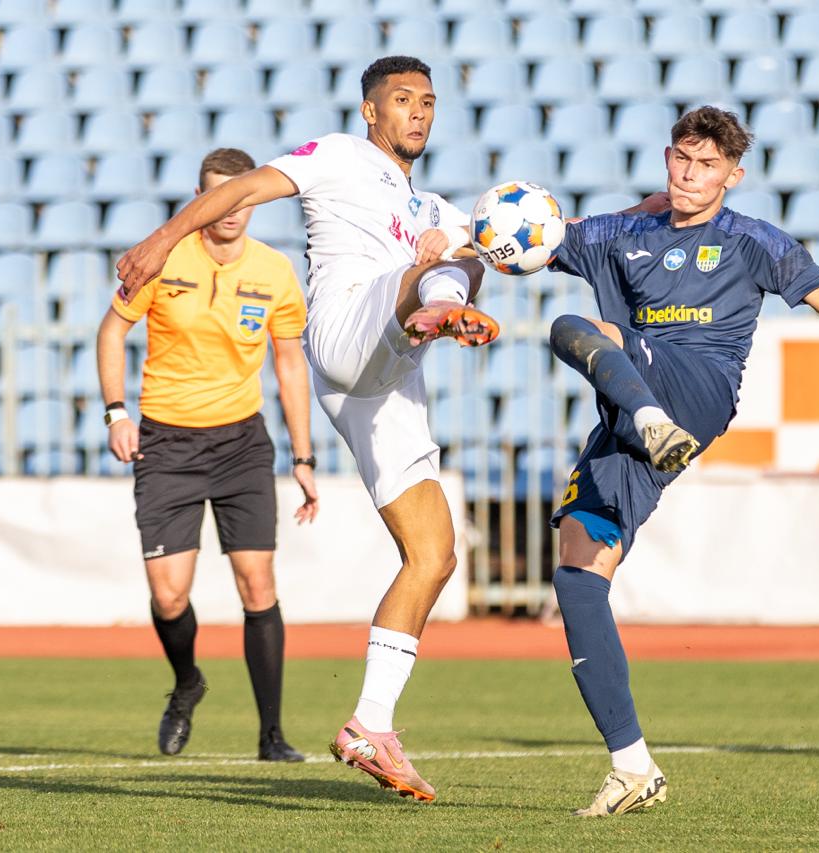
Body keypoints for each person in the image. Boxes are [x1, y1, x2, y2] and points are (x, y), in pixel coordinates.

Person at [544, 106, 819, 816]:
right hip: (627, 416)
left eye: (708, 165)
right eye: (682, 159)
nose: (691, 175)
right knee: (576, 573)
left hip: (695, 393)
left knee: (578, 326)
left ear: (734, 175)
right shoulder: (619, 233)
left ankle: (653, 419)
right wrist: (452, 249)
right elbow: (525, 238)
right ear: (667, 157)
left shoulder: (752, 241)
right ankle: (632, 767)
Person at [115, 57, 499, 802]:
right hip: (348, 329)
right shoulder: (338, 154)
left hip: (389, 382)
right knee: (430, 270)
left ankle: (371, 725)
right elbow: (241, 189)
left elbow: (530, 241)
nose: (418, 112)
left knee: (434, 555)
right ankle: (433, 307)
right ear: (370, 111)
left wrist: (646, 214)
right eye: (402, 100)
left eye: (427, 102)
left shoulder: (431, 206)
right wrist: (162, 240)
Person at [97, 147, 319, 762]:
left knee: (257, 583)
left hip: (241, 444)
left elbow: (290, 364)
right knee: (169, 595)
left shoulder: (274, 271)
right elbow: (112, 330)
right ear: (200, 200)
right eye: (217, 195)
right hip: (167, 442)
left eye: (241, 195)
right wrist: (116, 412)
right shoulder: (164, 259)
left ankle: (272, 736)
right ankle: (187, 681)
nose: (230, 209)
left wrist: (303, 458)